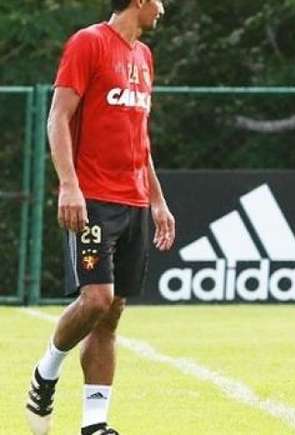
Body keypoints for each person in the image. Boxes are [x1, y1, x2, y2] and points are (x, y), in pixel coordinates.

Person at [24, 1, 172, 434]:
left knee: (112, 313)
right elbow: (58, 116)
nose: (162, 9)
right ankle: (45, 373)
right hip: (94, 199)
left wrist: (158, 201)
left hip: (135, 201)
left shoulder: (143, 56)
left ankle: (94, 425)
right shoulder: (88, 43)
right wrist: (68, 185)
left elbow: (140, 141)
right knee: (96, 299)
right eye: (158, 1)